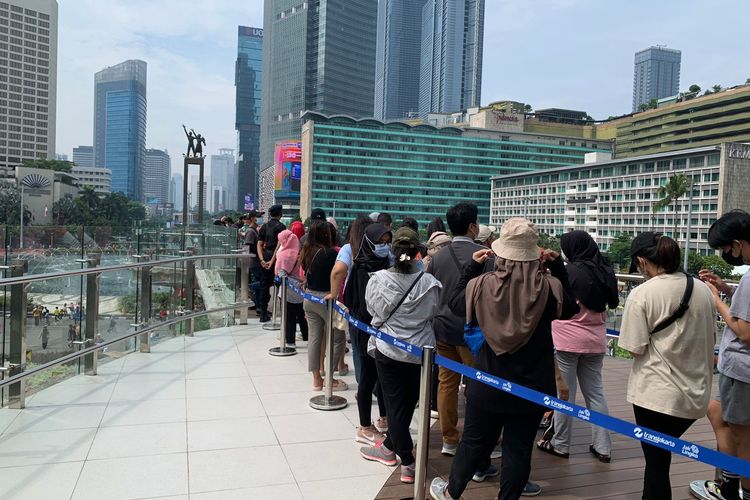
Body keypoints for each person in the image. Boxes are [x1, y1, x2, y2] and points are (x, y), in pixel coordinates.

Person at [430, 218, 579, 500]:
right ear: (536, 255)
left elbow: (455, 302)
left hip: (487, 381)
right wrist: (558, 266)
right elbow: (571, 306)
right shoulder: (548, 290)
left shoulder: (482, 285)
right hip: (532, 384)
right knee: (519, 449)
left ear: (498, 253)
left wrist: (472, 266)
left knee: (473, 443)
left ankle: (452, 492)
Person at [617, 232, 715, 500]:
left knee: (657, 464)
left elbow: (632, 347)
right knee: (660, 459)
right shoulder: (702, 288)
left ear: (641, 261)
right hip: (695, 395)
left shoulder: (642, 294)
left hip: (656, 396)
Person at [360, 227, 442, 483]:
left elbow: (372, 309)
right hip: (420, 352)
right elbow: (433, 313)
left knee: (396, 405)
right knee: (406, 403)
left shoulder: (378, 280)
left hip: (389, 350)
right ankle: (389, 446)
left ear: (393, 251)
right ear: (417, 252)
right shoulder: (428, 283)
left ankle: (406, 460)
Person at [536, 230, 619, 462]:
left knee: (565, 393)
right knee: (596, 394)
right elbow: (613, 302)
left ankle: (560, 443)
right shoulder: (605, 270)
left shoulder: (569, 271)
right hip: (595, 340)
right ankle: (603, 446)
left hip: (566, 340)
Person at [690, 210, 750, 500]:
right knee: (717, 411)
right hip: (738, 370)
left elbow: (745, 331)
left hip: (743, 370)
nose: (728, 254)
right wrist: (726, 289)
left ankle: (738, 492)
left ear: (738, 243)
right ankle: (728, 485)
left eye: (727, 249)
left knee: (744, 438)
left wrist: (715, 300)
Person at [427, 203, 493, 457]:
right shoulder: (486, 256)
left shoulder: (438, 257)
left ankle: (449, 439)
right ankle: (481, 440)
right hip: (473, 333)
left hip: (442, 329)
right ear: (472, 226)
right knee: (479, 386)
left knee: (447, 384)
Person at [343, 223, 393, 441]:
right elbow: (362, 305)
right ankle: (364, 426)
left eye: (387, 241)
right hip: (366, 329)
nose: (384, 245)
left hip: (380, 329)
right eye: (380, 241)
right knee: (368, 377)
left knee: (381, 377)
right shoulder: (362, 267)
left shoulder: (386, 263)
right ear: (369, 242)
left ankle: (383, 417)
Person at [300, 222, 346, 391]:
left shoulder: (307, 251)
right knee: (338, 337)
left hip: (309, 298)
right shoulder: (330, 254)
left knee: (314, 338)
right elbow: (338, 273)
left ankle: (316, 379)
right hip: (326, 298)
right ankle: (330, 378)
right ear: (326, 235)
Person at [329, 215, 374, 383]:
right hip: (380, 304)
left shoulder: (349, 248)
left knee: (358, 346)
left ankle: (363, 387)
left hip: (357, 303)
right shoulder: (381, 247)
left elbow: (338, 271)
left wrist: (334, 295)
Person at [275, 230, 308, 347]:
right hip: (302, 291)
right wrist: (300, 284)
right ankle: (306, 337)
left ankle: (290, 341)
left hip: (287, 292)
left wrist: (294, 283)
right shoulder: (300, 252)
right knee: (303, 316)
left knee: (289, 318)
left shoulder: (283, 254)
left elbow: (282, 275)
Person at [257, 205, 286, 322]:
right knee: (280, 287)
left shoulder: (264, 226)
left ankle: (263, 314)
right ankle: (282, 315)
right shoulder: (282, 227)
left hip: (265, 256)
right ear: (280, 214)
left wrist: (262, 260)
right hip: (276, 258)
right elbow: (280, 246)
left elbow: (259, 245)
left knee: (264, 286)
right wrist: (272, 261)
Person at [243, 209, 265, 316]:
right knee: (259, 285)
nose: (260, 218)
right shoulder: (251, 231)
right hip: (254, 262)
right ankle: (259, 306)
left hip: (257, 262)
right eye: (258, 216)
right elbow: (248, 246)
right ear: (252, 218)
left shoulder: (255, 230)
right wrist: (259, 252)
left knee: (260, 286)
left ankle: (259, 306)